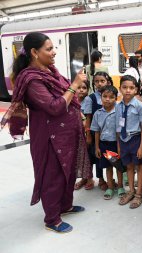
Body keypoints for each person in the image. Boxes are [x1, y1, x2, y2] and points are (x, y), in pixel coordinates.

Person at [1, 32, 91, 233]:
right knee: (54, 176)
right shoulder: (32, 79)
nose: (54, 52)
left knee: (67, 172)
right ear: (34, 52)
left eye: (53, 48)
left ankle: (65, 206)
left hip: (66, 134)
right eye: (49, 49)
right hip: (50, 137)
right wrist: (75, 85)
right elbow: (55, 107)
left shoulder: (50, 70)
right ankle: (52, 219)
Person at [75, 71, 114, 191]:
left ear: (108, 81)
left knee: (106, 157)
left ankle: (106, 179)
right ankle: (94, 178)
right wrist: (88, 135)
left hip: (108, 134)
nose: (99, 84)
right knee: (93, 156)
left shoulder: (111, 95)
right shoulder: (90, 98)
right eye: (96, 81)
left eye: (102, 81)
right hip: (94, 133)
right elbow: (88, 118)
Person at [117, 75, 142, 208]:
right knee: (128, 166)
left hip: (135, 139)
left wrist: (141, 147)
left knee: (139, 167)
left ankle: (139, 194)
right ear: (120, 89)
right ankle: (131, 191)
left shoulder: (140, 106)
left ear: (136, 90)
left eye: (131, 88)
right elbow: (117, 127)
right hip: (123, 140)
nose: (128, 90)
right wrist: (119, 144)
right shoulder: (118, 106)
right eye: (125, 87)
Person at [91, 85, 125, 200]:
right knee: (108, 167)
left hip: (116, 144)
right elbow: (96, 131)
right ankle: (110, 187)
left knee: (118, 166)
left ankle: (120, 186)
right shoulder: (97, 113)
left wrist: (119, 147)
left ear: (116, 98)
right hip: (103, 144)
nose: (107, 99)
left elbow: (119, 132)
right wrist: (97, 147)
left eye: (111, 97)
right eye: (104, 96)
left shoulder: (119, 112)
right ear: (101, 97)